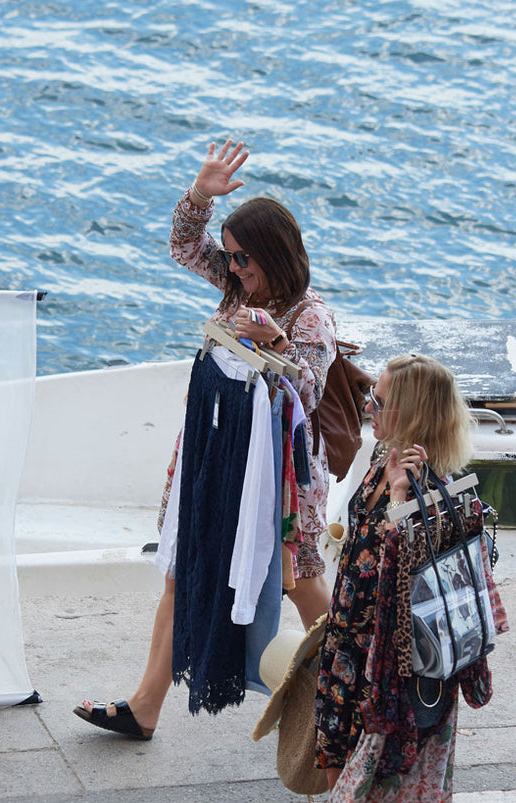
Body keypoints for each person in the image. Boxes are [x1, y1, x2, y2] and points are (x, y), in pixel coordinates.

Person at [75, 138, 338, 740]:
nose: (235, 267)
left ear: (273, 254)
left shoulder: (310, 315)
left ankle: (357, 698)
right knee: (183, 568)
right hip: (216, 458)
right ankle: (145, 706)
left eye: (244, 257)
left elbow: (308, 393)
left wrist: (273, 339)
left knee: (299, 582)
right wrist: (200, 193)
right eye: (231, 256)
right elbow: (183, 245)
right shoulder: (237, 289)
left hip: (280, 479)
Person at [267, 353, 507, 803]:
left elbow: (409, 574)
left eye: (381, 401)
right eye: (371, 397)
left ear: (414, 412)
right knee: (339, 759)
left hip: (388, 661)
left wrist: (403, 499)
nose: (369, 407)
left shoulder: (429, 484)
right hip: (348, 641)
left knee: (362, 772)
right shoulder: (384, 456)